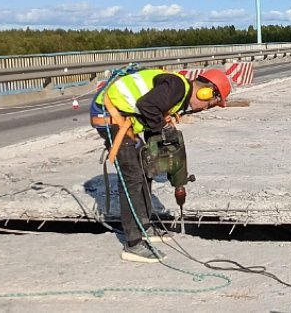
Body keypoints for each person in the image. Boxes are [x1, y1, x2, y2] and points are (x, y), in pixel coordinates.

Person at [89, 68, 231, 263]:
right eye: (210, 103)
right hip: (109, 116)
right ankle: (133, 243)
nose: (205, 108)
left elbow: (150, 113)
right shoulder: (178, 87)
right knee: (132, 176)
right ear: (205, 92)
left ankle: (145, 225)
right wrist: (163, 128)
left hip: (124, 119)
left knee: (146, 168)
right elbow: (146, 105)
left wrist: (158, 141)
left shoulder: (176, 95)